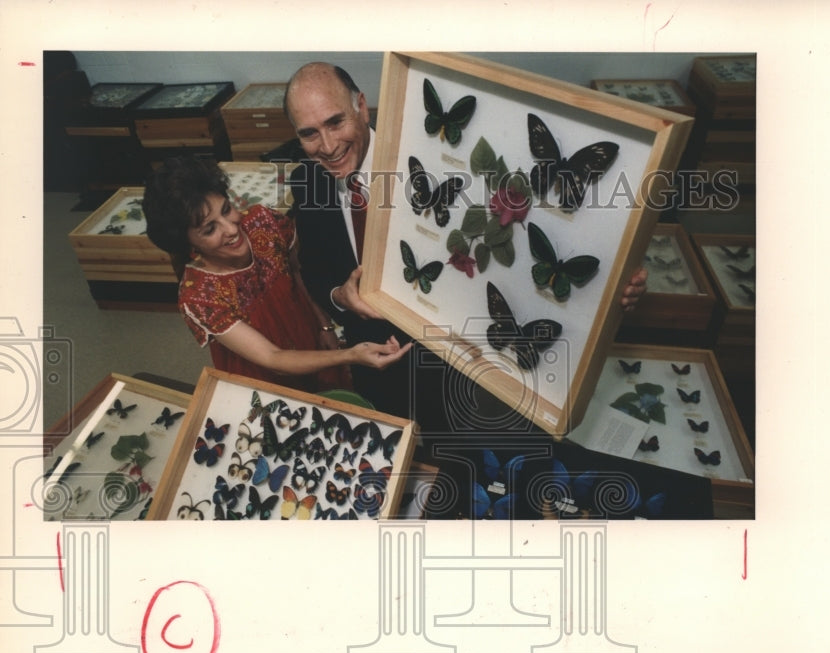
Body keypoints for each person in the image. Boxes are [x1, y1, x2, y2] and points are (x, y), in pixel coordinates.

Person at [283, 61, 647, 423]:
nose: (327, 146)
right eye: (309, 133)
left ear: (361, 106)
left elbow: (530, 238)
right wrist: (339, 297)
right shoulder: (307, 182)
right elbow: (315, 269)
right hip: (374, 366)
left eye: (335, 122)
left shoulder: (433, 158)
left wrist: (608, 285)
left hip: (455, 369)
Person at [142, 157, 411, 395]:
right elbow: (272, 358)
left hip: (305, 333)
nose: (231, 229)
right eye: (210, 229)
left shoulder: (263, 222)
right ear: (189, 244)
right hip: (263, 371)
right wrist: (351, 355)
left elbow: (296, 270)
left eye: (226, 210)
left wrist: (323, 324)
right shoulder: (199, 294)